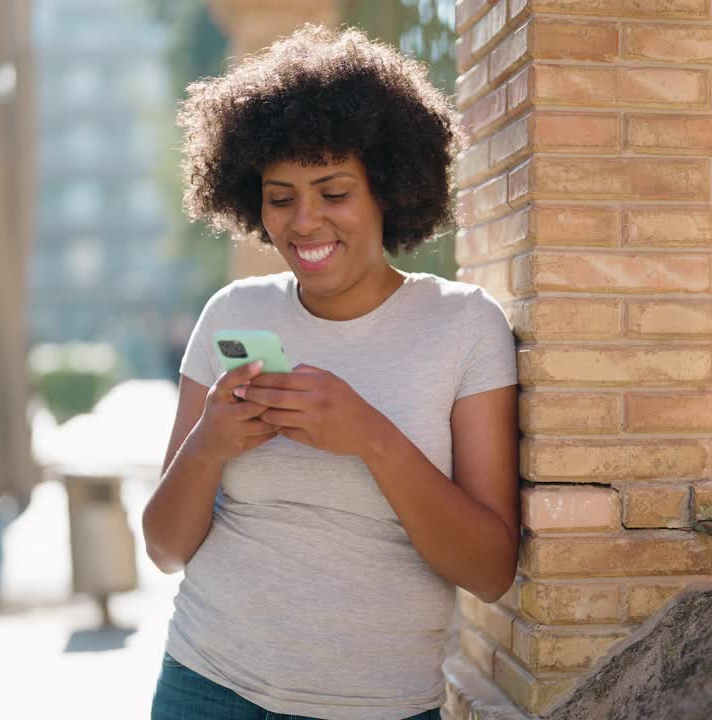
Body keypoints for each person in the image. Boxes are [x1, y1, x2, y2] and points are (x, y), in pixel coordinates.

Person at [142, 25, 519, 720]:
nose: (304, 221)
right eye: (280, 197)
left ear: (388, 188)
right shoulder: (233, 312)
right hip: (205, 686)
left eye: (333, 191)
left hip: (377, 707)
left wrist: (371, 437)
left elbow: (491, 570)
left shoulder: (464, 325)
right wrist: (210, 444)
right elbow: (165, 549)